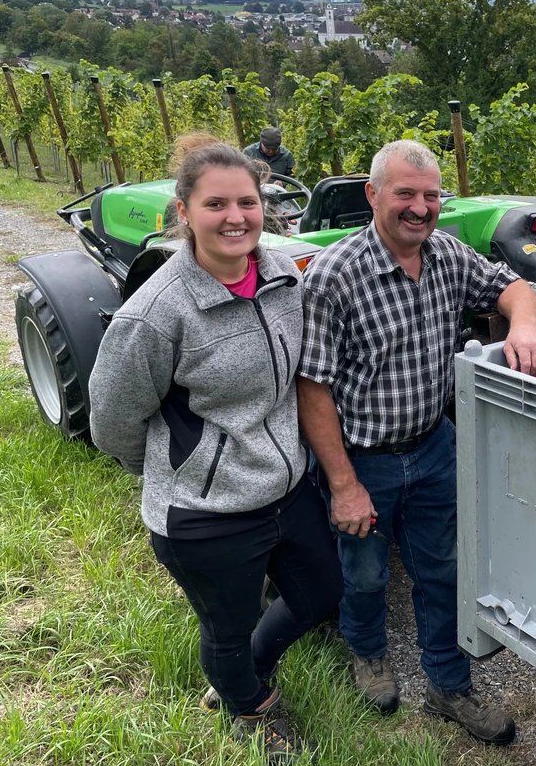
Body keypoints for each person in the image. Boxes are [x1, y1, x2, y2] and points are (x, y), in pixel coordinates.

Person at [88, 134, 340, 762]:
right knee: (225, 627)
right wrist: (183, 470)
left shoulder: (283, 277)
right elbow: (113, 421)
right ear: (184, 213)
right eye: (216, 205)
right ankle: (247, 706)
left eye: (248, 203)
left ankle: (240, 674)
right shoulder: (157, 314)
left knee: (320, 594)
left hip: (285, 489)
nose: (235, 218)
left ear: (265, 206)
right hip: (206, 514)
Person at [297, 139, 536, 746]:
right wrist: (344, 484)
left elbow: (513, 288)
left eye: (430, 195)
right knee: (364, 573)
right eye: (405, 193)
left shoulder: (446, 257)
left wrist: (525, 325)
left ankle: (447, 683)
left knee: (443, 571)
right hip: (365, 459)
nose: (420, 207)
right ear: (373, 195)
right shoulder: (336, 276)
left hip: (435, 448)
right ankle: (368, 653)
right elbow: (312, 389)